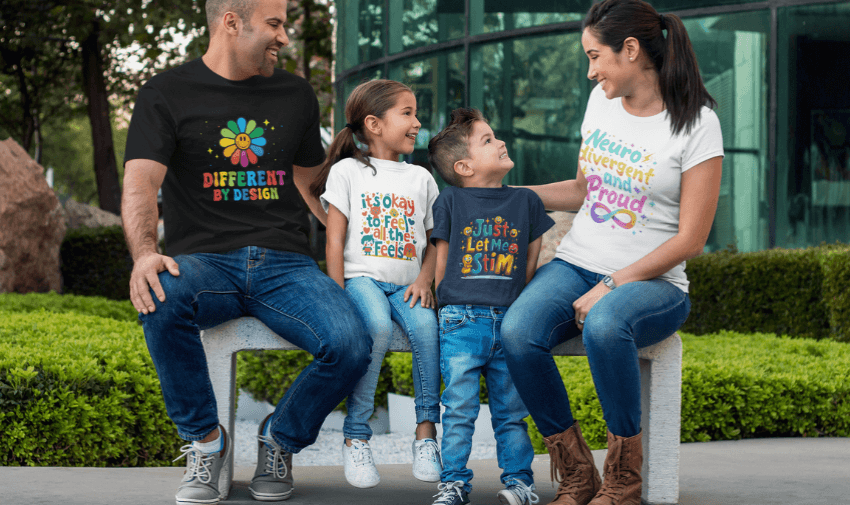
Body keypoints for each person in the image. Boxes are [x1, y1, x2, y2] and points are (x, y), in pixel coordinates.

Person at [121, 0, 370, 503]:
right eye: (275, 25)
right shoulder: (164, 93)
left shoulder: (296, 94)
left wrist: (358, 245)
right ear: (232, 23)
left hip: (286, 265)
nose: (283, 38)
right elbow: (140, 185)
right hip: (204, 263)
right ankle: (207, 444)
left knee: (350, 342)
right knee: (160, 293)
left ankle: (279, 438)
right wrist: (145, 254)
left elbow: (308, 182)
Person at [499, 0, 724, 504]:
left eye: (595, 56)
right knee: (517, 331)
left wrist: (612, 284)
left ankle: (623, 480)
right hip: (577, 261)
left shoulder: (698, 124)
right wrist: (514, 196)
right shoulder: (602, 103)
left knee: (606, 325)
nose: (589, 70)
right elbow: (584, 190)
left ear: (631, 50)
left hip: (653, 284)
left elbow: (691, 238)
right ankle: (578, 474)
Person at [311, 79, 443, 488]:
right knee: (378, 329)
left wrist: (425, 280)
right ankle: (356, 437)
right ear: (374, 123)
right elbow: (334, 239)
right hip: (361, 280)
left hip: (408, 285)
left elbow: (437, 240)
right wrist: (338, 295)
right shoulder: (347, 171)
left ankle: (426, 435)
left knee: (426, 330)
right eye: (407, 113)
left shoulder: (421, 177)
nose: (417, 122)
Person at [426, 108, 556, 505]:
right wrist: (445, 308)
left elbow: (532, 262)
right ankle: (452, 483)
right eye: (487, 140)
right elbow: (442, 263)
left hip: (511, 323)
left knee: (511, 413)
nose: (500, 142)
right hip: (461, 320)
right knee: (459, 410)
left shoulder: (526, 202)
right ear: (463, 166)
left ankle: (521, 484)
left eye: (494, 136)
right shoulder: (450, 202)